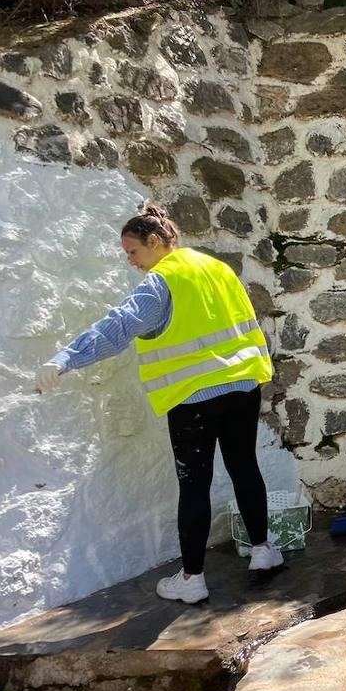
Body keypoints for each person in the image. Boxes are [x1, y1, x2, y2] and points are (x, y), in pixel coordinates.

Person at [34, 205, 281, 604]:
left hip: (195, 397)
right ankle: (264, 551)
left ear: (154, 241)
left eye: (132, 252)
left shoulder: (161, 280)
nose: (131, 262)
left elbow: (119, 326)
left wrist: (66, 359)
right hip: (243, 385)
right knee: (244, 467)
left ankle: (192, 579)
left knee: (194, 485)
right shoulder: (216, 269)